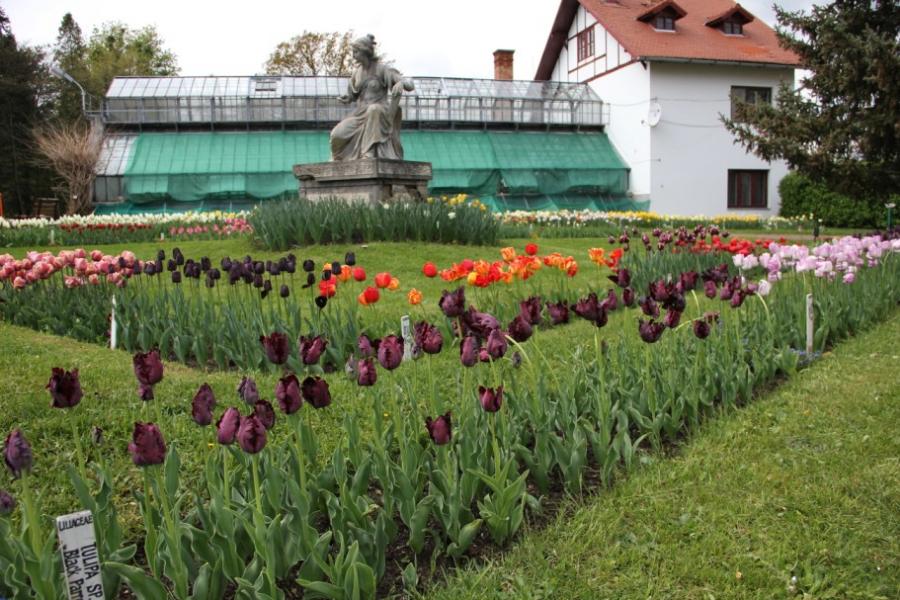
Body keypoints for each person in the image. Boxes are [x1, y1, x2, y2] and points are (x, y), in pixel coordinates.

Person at [330, 34, 414, 161]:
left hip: (380, 111)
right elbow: (353, 95)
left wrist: (401, 83)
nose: (353, 55)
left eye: (356, 52)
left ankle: (368, 153)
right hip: (360, 114)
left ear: (365, 51)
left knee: (373, 110)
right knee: (336, 134)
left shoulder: (382, 69)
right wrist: (347, 98)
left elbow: (410, 85)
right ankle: (340, 158)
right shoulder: (356, 73)